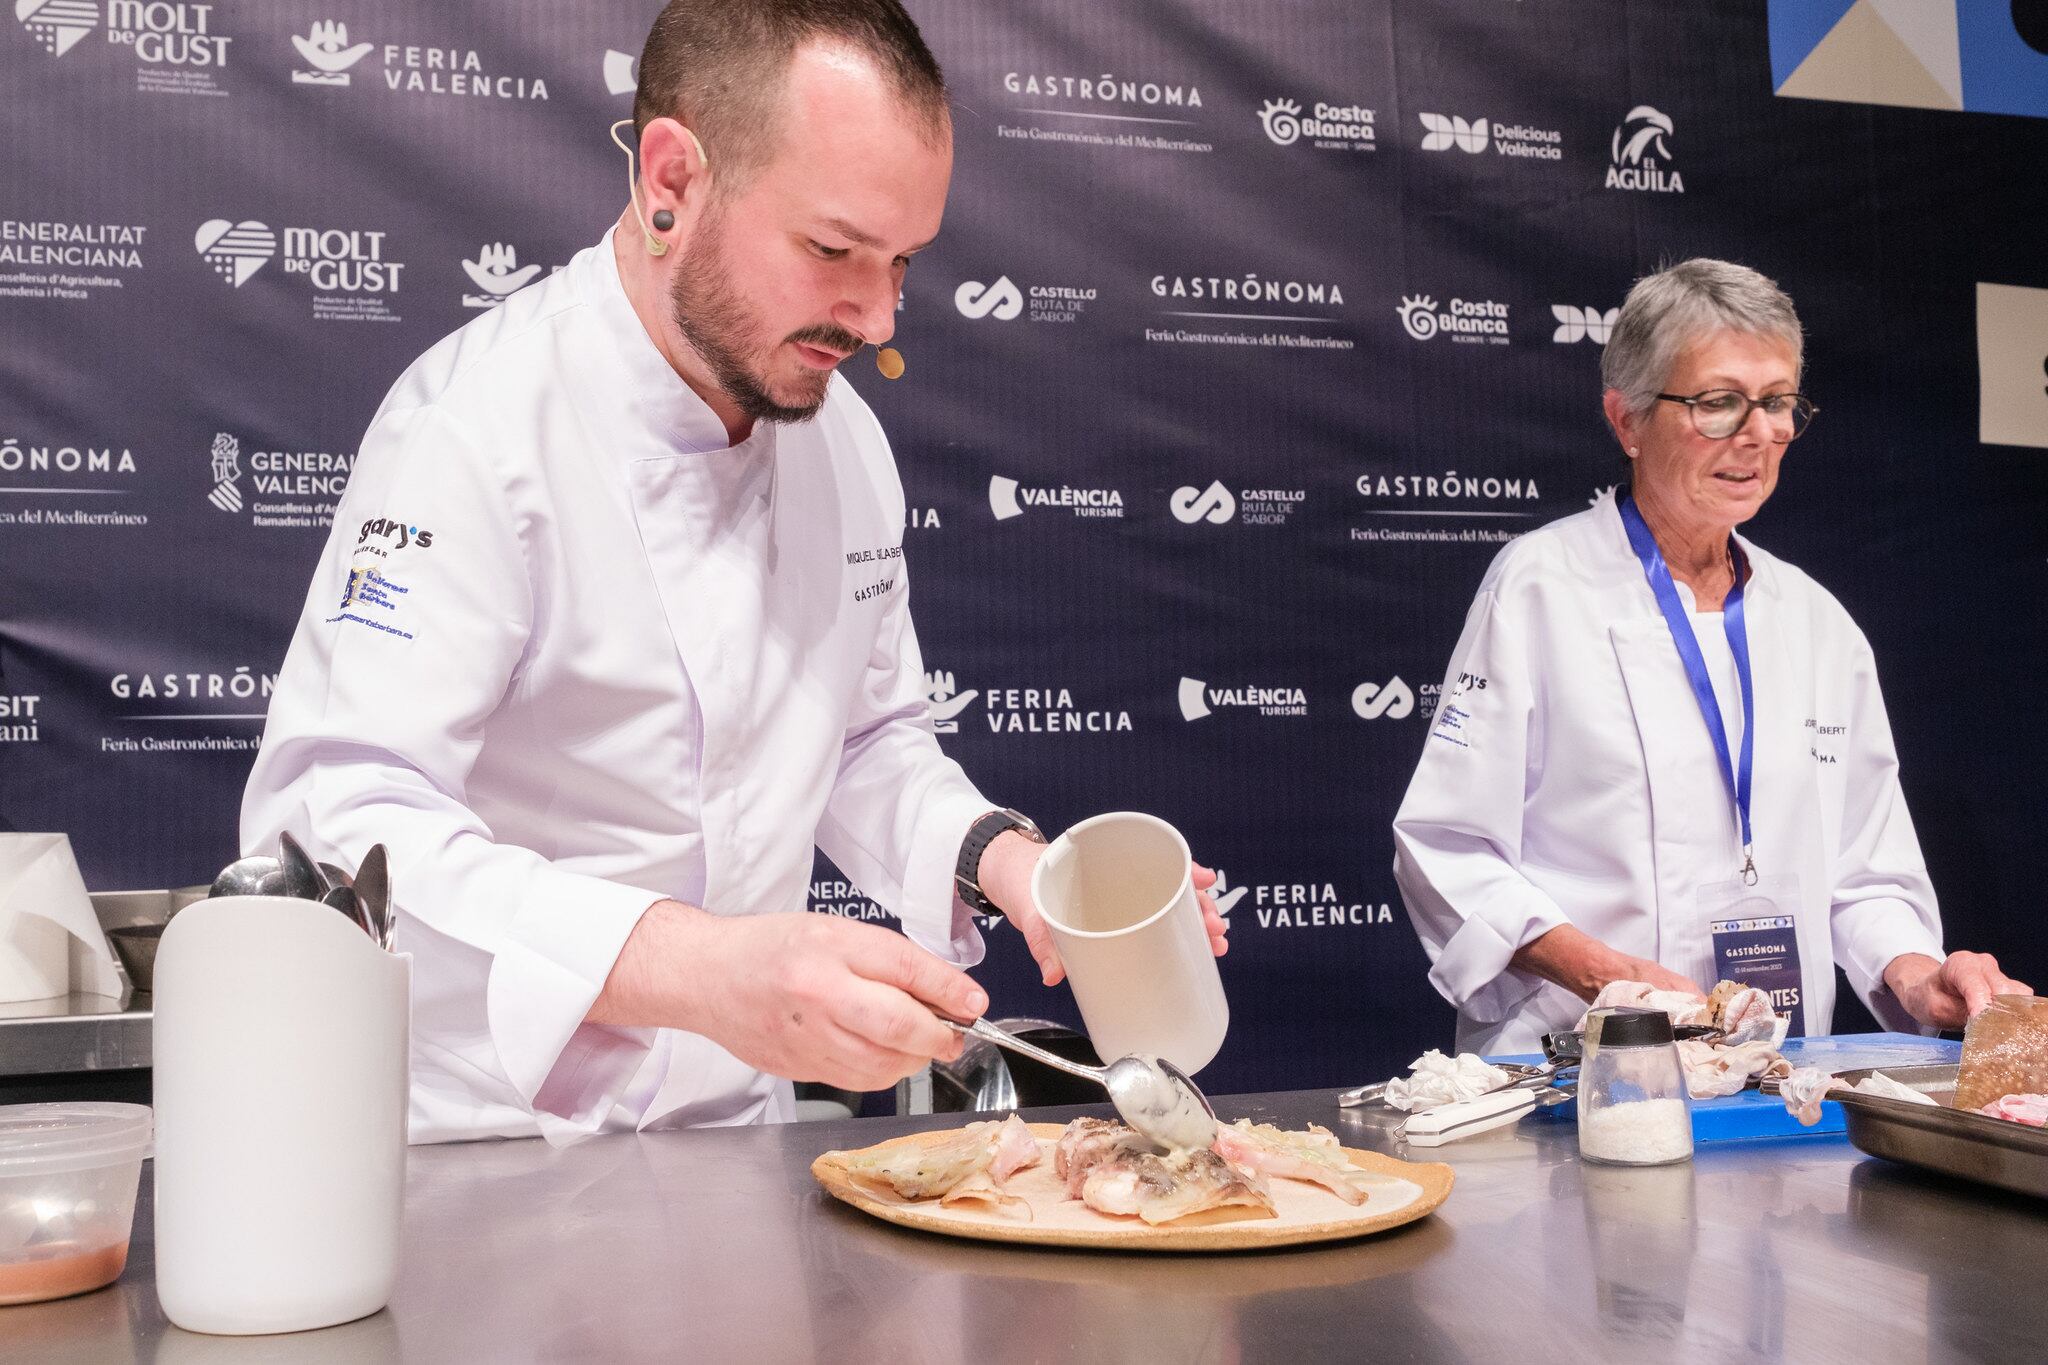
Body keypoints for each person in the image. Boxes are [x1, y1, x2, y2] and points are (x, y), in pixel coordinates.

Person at [241, 0, 1227, 1143]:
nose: (875, 313)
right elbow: (340, 826)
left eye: (902, 261)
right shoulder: (475, 431)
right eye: (831, 251)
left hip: (730, 1143)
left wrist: (1009, 865)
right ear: (671, 179)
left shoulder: (841, 439)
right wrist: (700, 968)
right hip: (478, 1142)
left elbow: (863, 739)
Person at [1392, 258, 2029, 1055]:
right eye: (1720, 403)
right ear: (1626, 421)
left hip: (1776, 1081)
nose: (1759, 434)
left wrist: (1916, 973)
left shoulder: (1816, 621)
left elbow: (1866, 875)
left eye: (1778, 402)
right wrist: (1604, 974)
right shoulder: (1539, 588)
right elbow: (1448, 847)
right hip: (1577, 1071)